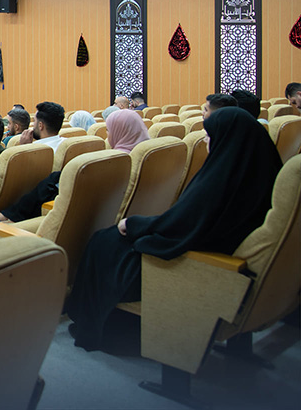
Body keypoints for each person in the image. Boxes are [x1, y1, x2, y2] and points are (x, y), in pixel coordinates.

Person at [67, 108, 282, 351]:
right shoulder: (258, 169)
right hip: (215, 248)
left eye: (210, 135)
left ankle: (96, 327)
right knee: (107, 240)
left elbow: (185, 222)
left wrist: (135, 224)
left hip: (194, 262)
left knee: (103, 242)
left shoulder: (222, 179)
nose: (206, 141)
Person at [0, 108, 150, 224]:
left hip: (89, 205)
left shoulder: (120, 158)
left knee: (51, 183)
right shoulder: (145, 154)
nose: (108, 136)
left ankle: (5, 216)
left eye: (109, 130)